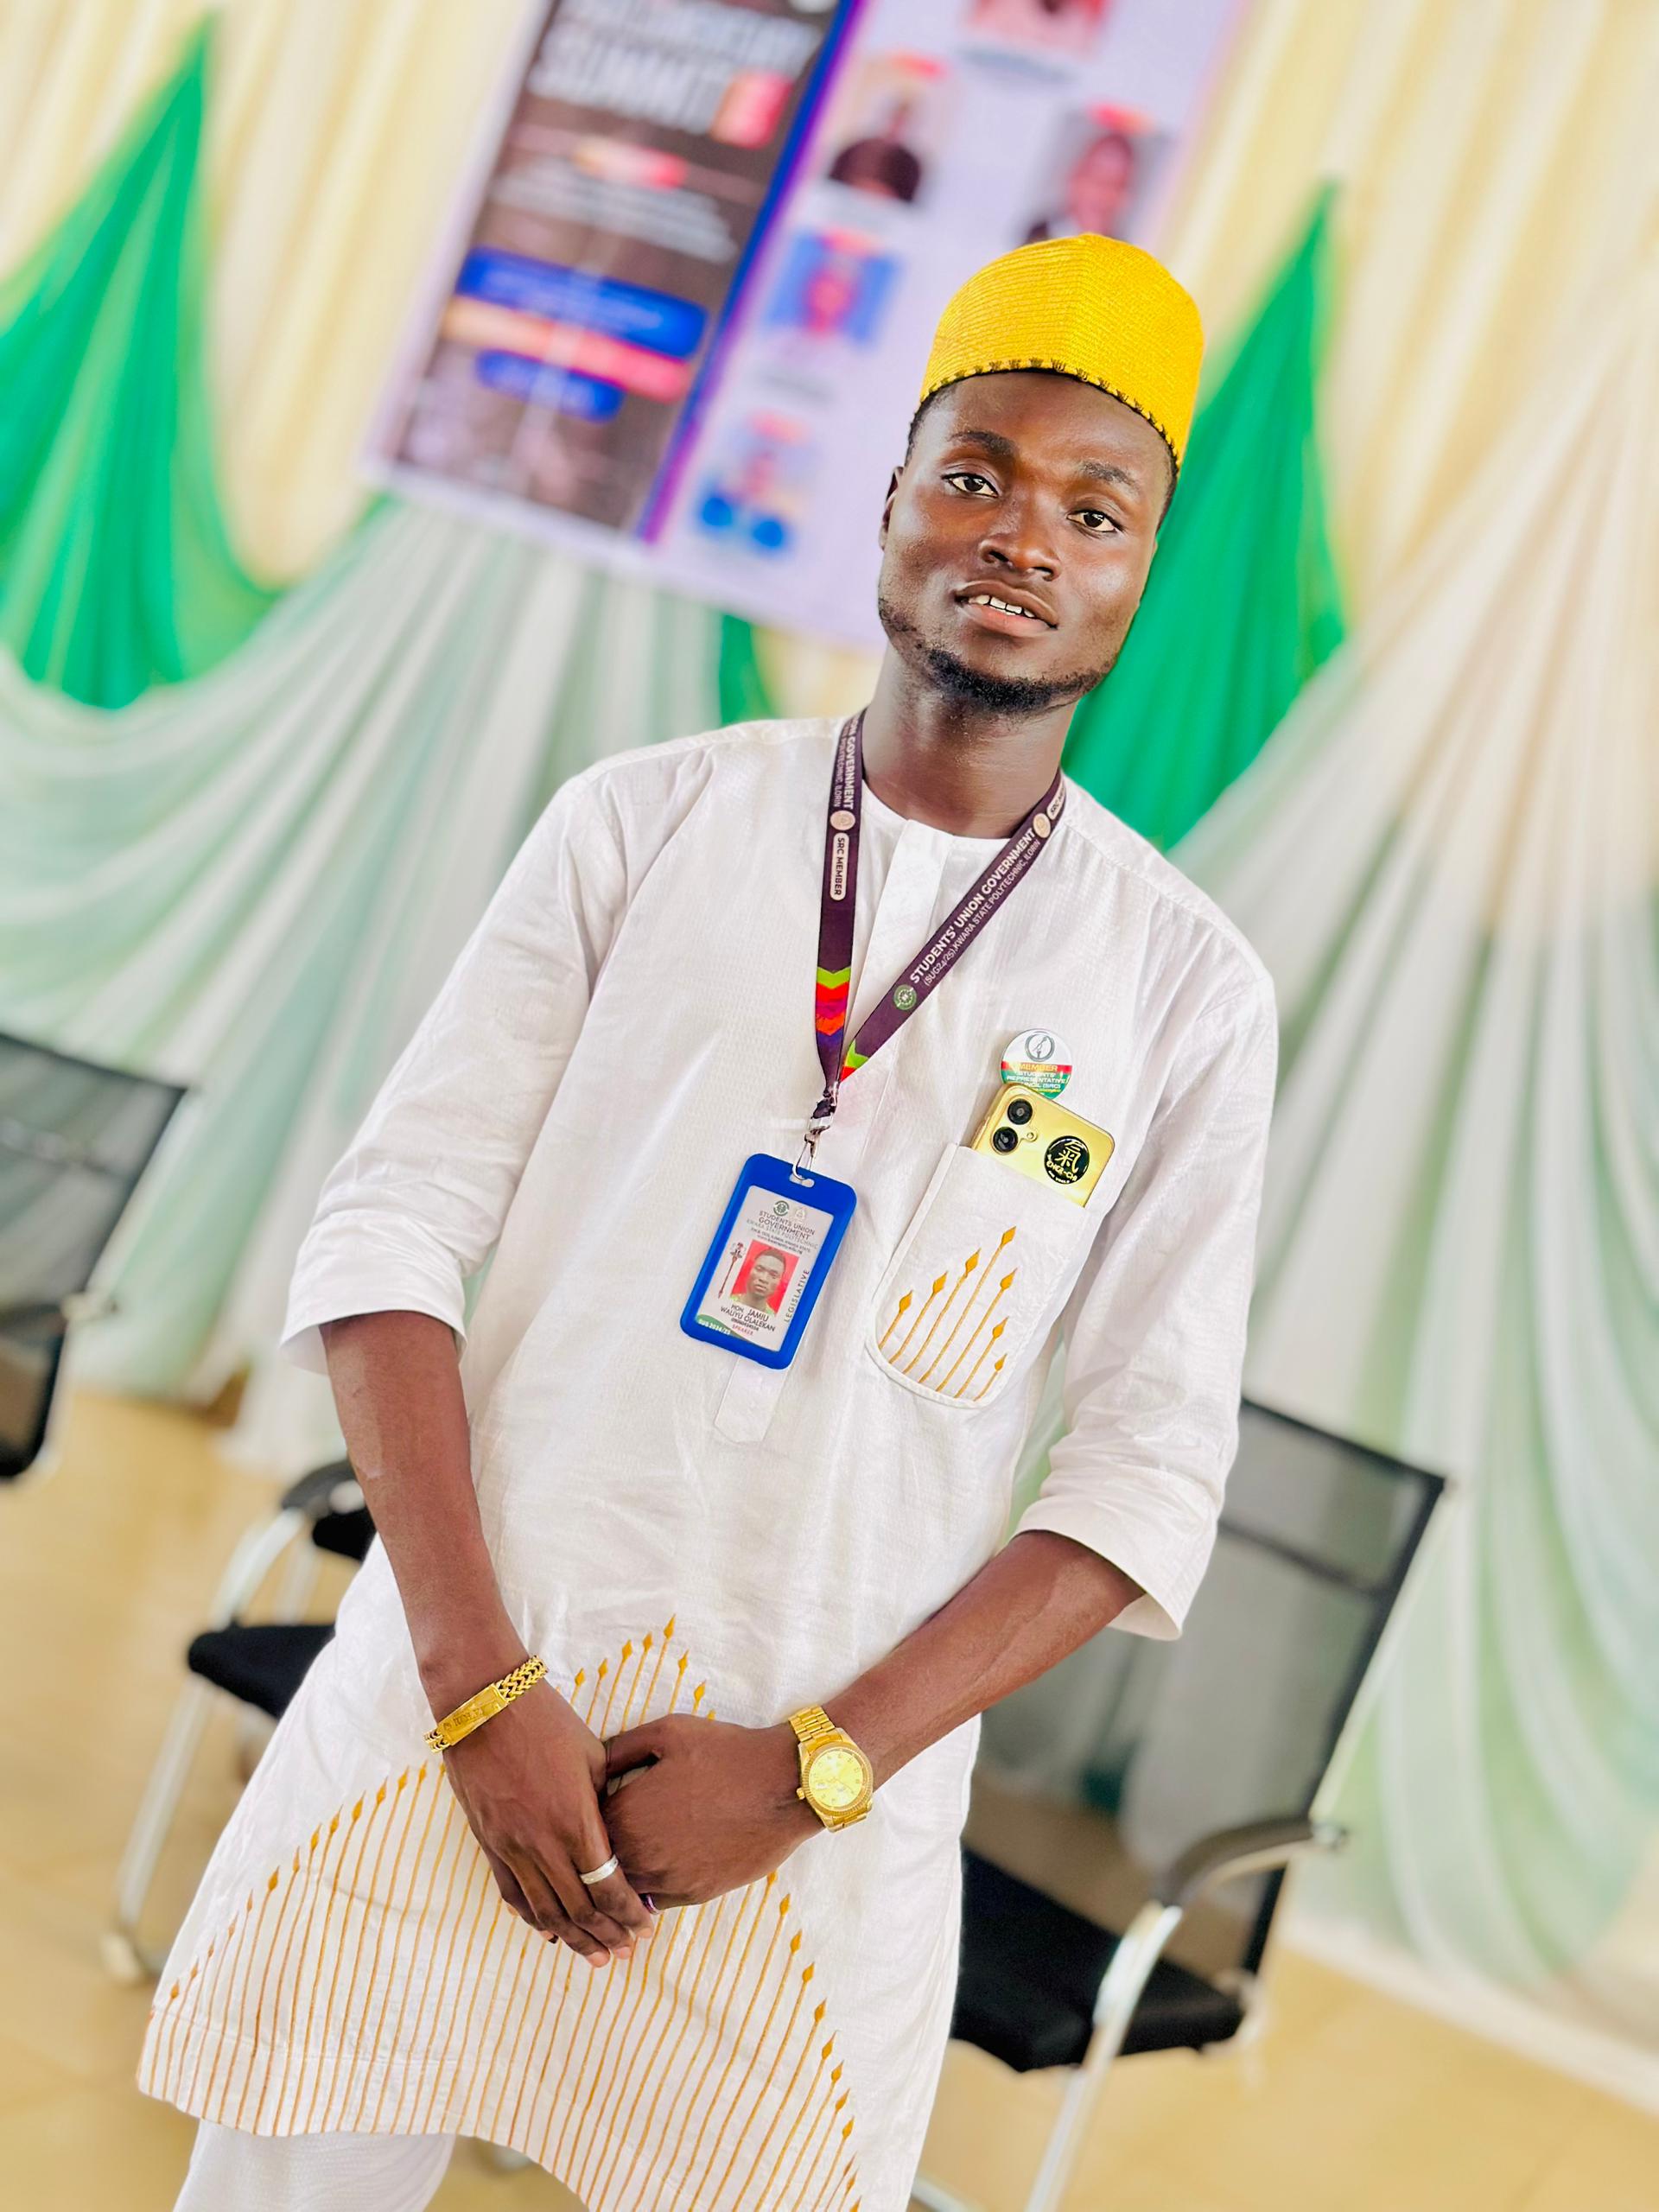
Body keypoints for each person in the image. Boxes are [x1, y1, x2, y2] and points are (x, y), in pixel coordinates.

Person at [143, 232, 1279, 2212]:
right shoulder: (646, 818)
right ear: (891, 502)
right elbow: (394, 1227)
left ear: (1138, 573)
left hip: (809, 1819)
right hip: (456, 1705)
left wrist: (816, 1767)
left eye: (1096, 510)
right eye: (978, 474)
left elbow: (1148, 1472)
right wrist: (477, 1683)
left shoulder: (1180, 989)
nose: (1024, 536)